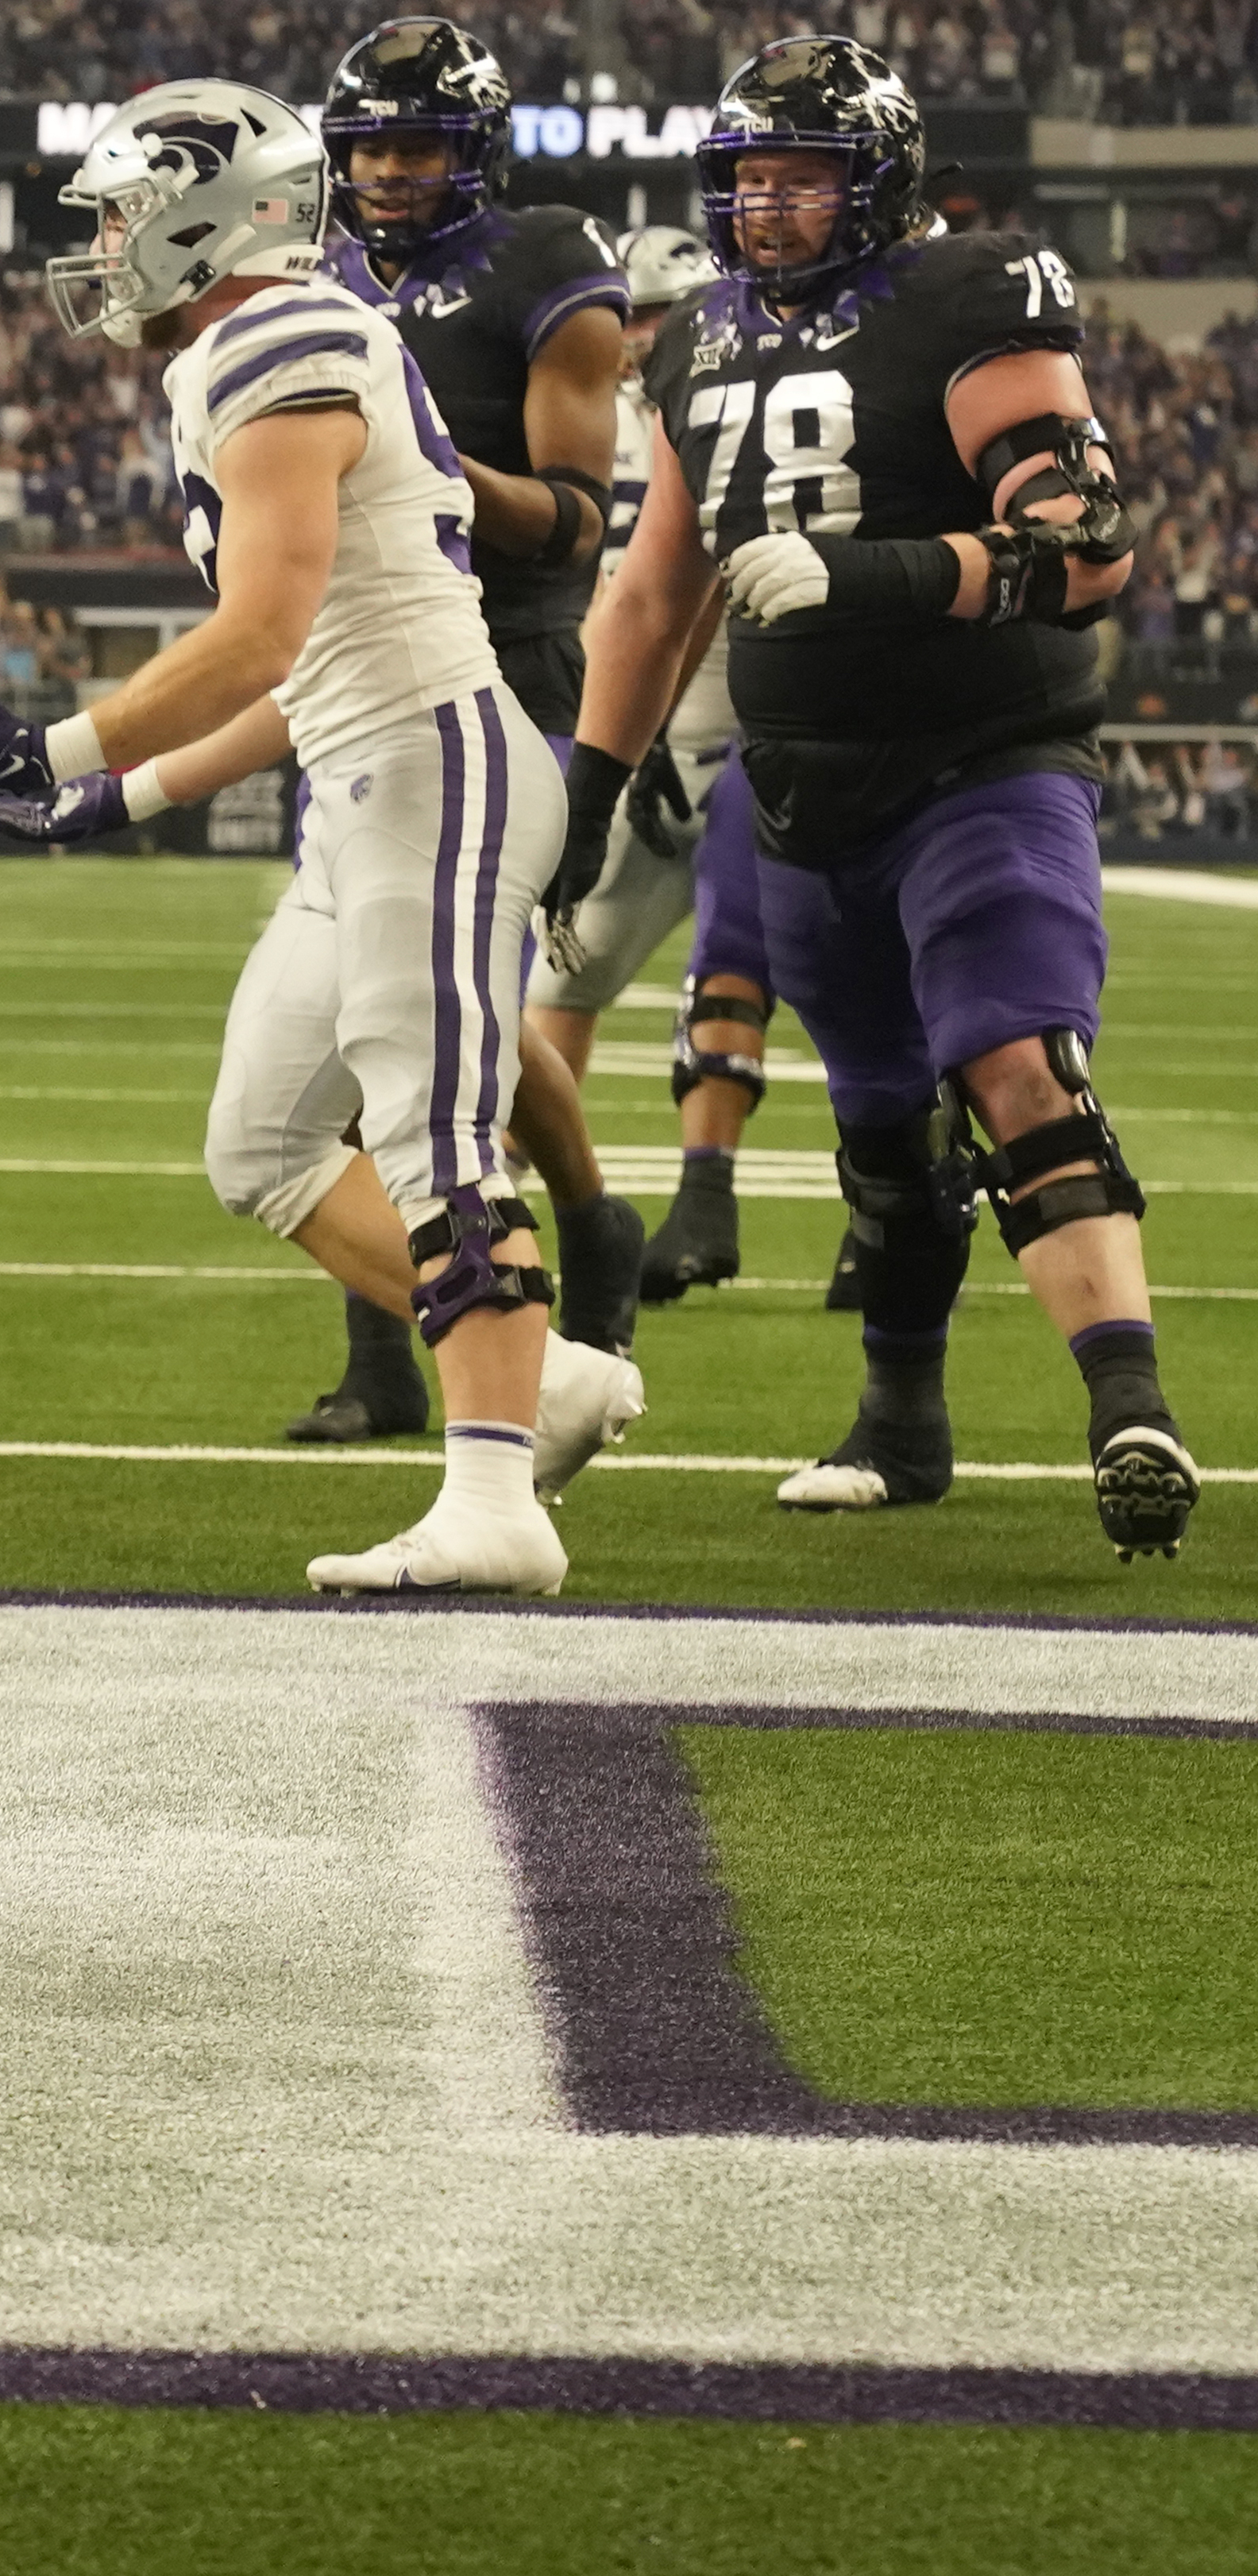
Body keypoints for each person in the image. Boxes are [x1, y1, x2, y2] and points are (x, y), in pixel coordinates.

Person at [0, 79, 643, 1594]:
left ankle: (495, 1500)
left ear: (203, 214)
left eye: (116, 215)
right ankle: (541, 1377)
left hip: (434, 767)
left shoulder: (284, 341)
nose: (100, 247)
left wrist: (60, 744)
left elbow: (258, 631)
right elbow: (302, 674)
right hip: (369, 770)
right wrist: (111, 799)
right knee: (264, 1140)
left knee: (431, 1130)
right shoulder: (252, 348)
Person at [558, 37, 1199, 1558]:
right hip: (798, 794)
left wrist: (882, 571)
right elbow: (651, 601)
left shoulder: (971, 297)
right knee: (881, 1140)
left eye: (801, 177)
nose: (766, 209)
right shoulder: (694, 341)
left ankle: (1129, 1410)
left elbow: (1088, 547)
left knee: (1018, 1066)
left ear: (881, 180)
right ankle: (900, 1422)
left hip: (982, 761)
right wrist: (582, 794)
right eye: (746, 180)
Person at [278, 14, 647, 1444]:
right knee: (409, 997)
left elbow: (572, 520)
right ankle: (557, 1244)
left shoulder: (546, 261)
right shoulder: (315, 270)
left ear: (474, 149)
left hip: (503, 653)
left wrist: (429, 478)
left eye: (415, 142)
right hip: (362, 661)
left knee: (432, 1009)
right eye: (365, 143)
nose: (384, 170)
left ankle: (430, 1340)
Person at [523, 223, 778, 1303]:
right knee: (555, 981)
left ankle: (715, 1199)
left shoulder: (739, 402)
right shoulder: (575, 408)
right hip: (625, 743)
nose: (637, 338)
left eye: (658, 316)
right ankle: (548, 1208)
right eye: (623, 314)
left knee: (744, 966)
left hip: (748, 733)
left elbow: (703, 581)